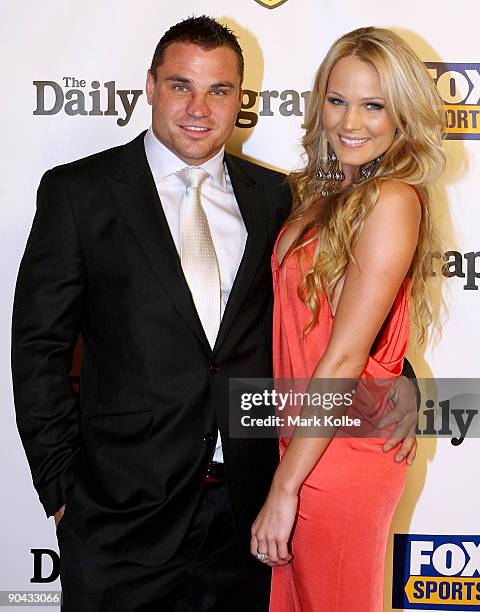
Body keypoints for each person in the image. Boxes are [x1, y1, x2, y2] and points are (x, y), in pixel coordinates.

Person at [12, 17, 419, 612]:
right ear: (149, 87)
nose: (199, 108)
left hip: (247, 517)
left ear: (240, 100)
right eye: (181, 86)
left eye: (219, 90)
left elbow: (333, 313)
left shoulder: (280, 198)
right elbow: (38, 351)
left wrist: (400, 378)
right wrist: (61, 490)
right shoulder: (79, 192)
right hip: (120, 519)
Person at [250, 27, 445, 612]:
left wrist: (285, 487)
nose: (350, 121)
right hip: (305, 437)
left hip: (339, 455)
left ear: (401, 115)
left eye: (373, 105)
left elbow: (343, 356)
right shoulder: (327, 189)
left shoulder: (391, 198)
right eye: (337, 100)